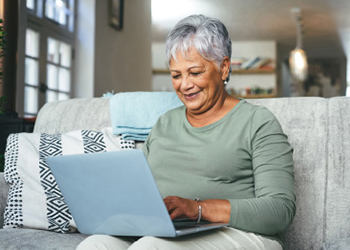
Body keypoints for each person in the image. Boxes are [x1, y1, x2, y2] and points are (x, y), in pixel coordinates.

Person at [77, 14, 295, 250]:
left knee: (149, 247)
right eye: (176, 75)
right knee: (94, 245)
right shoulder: (164, 123)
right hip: (166, 230)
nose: (184, 85)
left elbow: (280, 210)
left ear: (223, 68)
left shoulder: (258, 122)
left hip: (238, 232)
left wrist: (197, 209)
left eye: (195, 72)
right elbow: (142, 193)